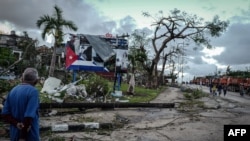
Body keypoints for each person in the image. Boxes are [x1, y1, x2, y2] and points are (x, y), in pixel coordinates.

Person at [1, 68, 40, 141]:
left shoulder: (13, 90)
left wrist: (16, 123)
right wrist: (23, 137)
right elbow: (29, 116)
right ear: (36, 81)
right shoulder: (33, 92)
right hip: (29, 135)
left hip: (14, 134)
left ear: (22, 78)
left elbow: (5, 114)